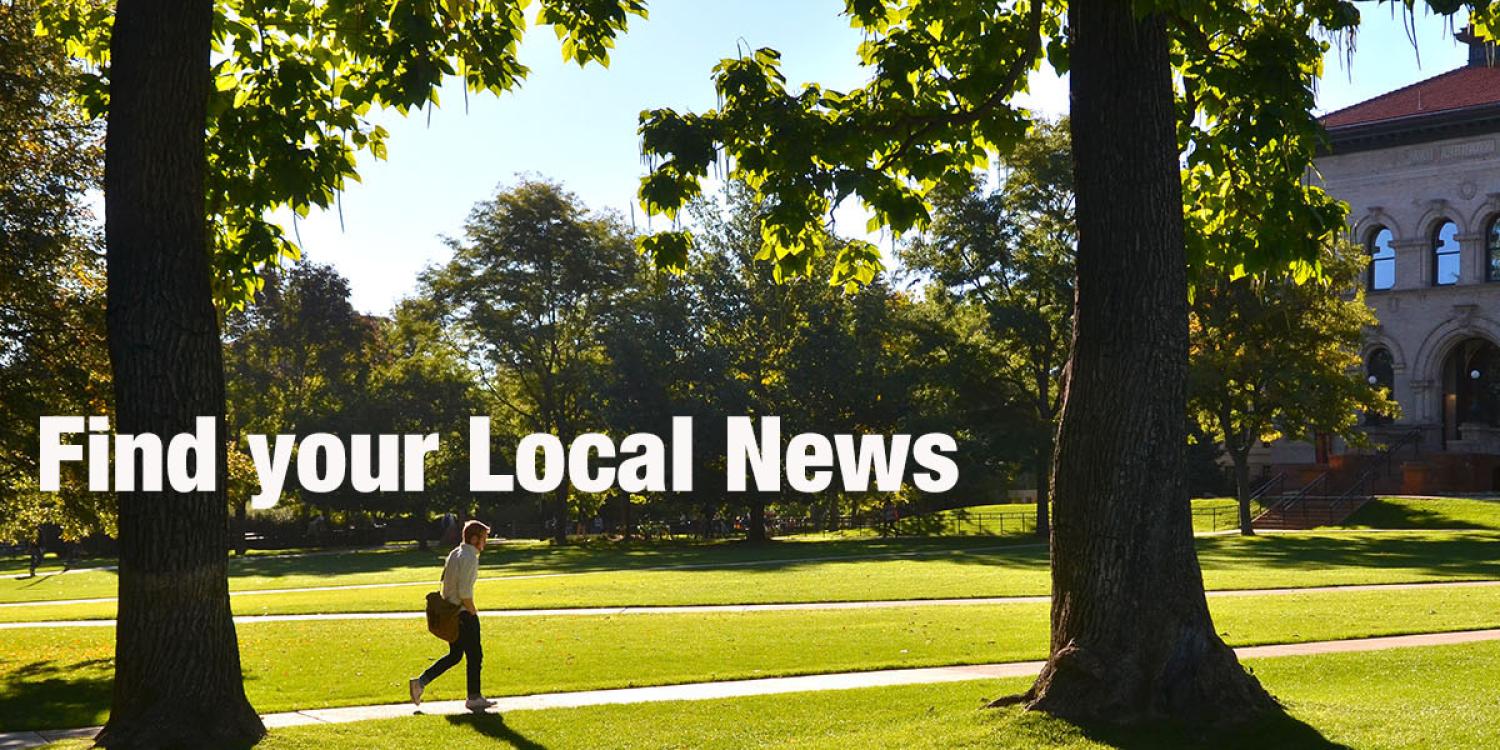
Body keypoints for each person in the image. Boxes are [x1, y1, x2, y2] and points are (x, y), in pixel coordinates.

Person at [410, 520, 495, 711]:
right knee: (475, 655)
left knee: (455, 655)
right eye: (483, 538)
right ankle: (474, 697)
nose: (485, 542)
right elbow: (465, 592)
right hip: (463, 613)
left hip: (451, 612)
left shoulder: (455, 553)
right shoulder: (470, 557)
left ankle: (420, 683)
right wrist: (472, 611)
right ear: (475, 538)